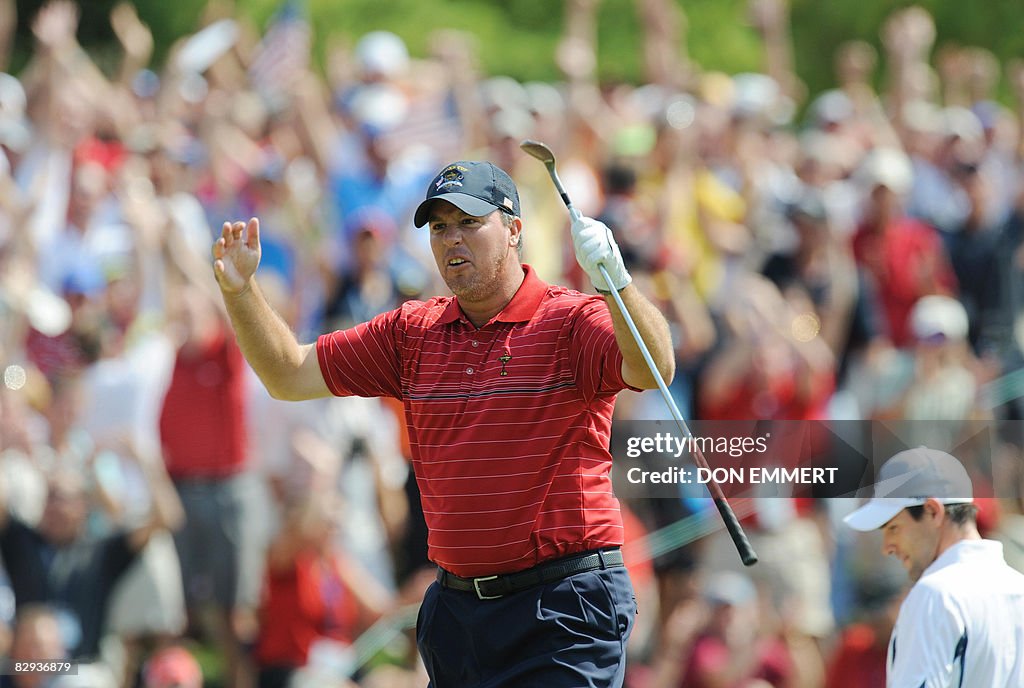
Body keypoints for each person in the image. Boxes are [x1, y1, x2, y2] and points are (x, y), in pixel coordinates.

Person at [212, 160, 675, 687]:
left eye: (469, 223)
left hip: (562, 608)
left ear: (515, 230)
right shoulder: (412, 332)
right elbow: (288, 375)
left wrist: (616, 284)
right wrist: (240, 291)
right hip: (459, 617)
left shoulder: (571, 321)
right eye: (439, 227)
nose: (452, 239)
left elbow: (654, 367)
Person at [844, 446, 1024, 687]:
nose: (887, 547)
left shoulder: (935, 594)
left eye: (893, 528)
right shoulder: (1017, 588)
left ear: (932, 511)